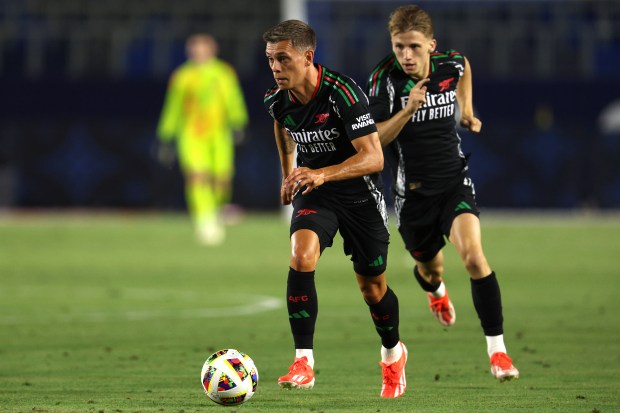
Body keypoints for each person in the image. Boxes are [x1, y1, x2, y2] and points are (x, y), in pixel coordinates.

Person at [366, 5, 519, 382]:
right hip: (412, 197)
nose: (406, 55)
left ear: (431, 46)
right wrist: (406, 111)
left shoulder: (449, 64)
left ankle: (498, 353)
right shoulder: (384, 80)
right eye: (399, 46)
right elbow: (374, 144)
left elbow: (464, 66)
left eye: (414, 47)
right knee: (430, 268)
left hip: (454, 182)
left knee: (473, 256)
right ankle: (436, 290)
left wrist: (466, 111)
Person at [262, 20, 407, 398]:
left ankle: (393, 353)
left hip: (358, 195)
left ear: (307, 56)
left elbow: (374, 158)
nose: (276, 67)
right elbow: (282, 127)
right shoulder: (277, 101)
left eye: (283, 58)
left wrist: (323, 173)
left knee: (373, 289)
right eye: (270, 60)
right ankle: (303, 361)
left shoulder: (342, 93)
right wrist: (288, 173)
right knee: (301, 255)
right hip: (316, 191)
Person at [157, 33, 248, 245]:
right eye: (194, 49)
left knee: (221, 180)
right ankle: (204, 219)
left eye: (202, 49)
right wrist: (166, 136)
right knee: (197, 176)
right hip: (191, 135)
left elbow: (233, 99)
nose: (198, 53)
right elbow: (173, 108)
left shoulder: (224, 73)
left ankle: (216, 210)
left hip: (219, 134)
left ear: (212, 50)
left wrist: (238, 122)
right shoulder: (182, 76)